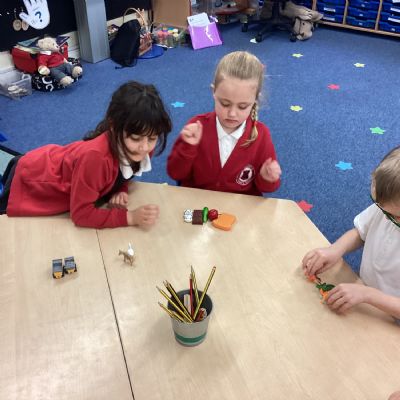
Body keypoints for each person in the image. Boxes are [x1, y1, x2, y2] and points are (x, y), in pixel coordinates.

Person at [0, 81, 172, 229]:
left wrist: (120, 189)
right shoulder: (96, 159)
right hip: (30, 179)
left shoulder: (140, 146)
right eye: (135, 138)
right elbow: (81, 214)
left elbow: (123, 173)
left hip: (55, 167)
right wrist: (130, 217)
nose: (144, 147)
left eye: (152, 138)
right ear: (113, 126)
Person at [302, 146, 400, 322]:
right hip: (364, 297)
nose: (385, 217)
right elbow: (360, 232)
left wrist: (369, 295)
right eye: (380, 207)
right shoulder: (388, 207)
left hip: (390, 319)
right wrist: (335, 250)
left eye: (395, 217)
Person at [167, 51, 281, 196]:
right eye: (225, 103)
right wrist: (187, 148)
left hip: (239, 206)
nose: (232, 113)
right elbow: (175, 173)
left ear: (255, 100)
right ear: (213, 91)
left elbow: (267, 188)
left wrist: (267, 177)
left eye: (242, 106)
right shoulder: (197, 127)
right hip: (198, 202)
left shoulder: (261, 135)